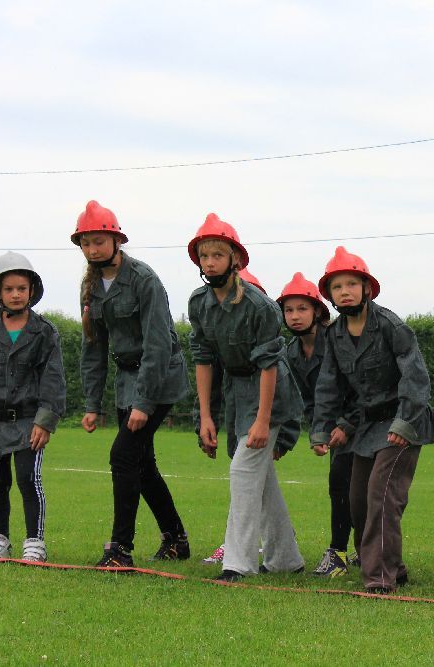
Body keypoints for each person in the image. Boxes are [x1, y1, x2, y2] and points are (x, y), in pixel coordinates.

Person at [311, 247, 434, 594]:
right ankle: (393, 567)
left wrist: (403, 424)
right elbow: (328, 384)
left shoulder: (391, 325)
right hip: (365, 428)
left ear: (367, 288)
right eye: (337, 287)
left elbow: (416, 378)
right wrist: (322, 429)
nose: (345, 291)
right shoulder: (334, 334)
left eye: (353, 283)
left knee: (383, 497)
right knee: (358, 501)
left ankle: (379, 579)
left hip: (403, 422)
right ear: (330, 295)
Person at [74, 200, 191, 568]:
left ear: (116, 240)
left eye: (99, 241)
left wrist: (144, 402)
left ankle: (120, 550)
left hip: (160, 378)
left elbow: (158, 343)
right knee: (142, 463)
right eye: (86, 243)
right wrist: (93, 404)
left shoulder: (144, 280)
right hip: (127, 378)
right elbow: (93, 348)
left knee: (123, 455)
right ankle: (176, 539)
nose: (93, 249)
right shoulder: (91, 289)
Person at [188, 213, 305, 582]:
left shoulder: (259, 305)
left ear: (234, 259)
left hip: (269, 390)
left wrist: (263, 420)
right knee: (262, 478)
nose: (210, 262)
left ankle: (237, 563)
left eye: (217, 255)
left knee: (242, 471)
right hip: (236, 393)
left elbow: (270, 366)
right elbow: (204, 360)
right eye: (204, 255)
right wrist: (205, 416)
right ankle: (286, 558)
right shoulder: (198, 303)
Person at [0, 251, 66, 563]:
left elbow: (53, 379)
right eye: (9, 289)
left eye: (22, 288)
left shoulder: (45, 332)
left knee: (27, 479)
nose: (16, 294)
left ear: (31, 290)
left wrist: (45, 421)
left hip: (29, 422)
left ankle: (35, 542)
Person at [279, 272, 358, 577]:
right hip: (333, 430)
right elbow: (307, 400)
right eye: (289, 310)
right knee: (341, 484)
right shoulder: (291, 353)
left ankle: (340, 552)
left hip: (363, 421)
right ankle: (349, 551)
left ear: (318, 311)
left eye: (302, 308)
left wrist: (345, 425)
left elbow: (361, 388)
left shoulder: (339, 339)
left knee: (350, 486)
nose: (295, 316)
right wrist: (319, 433)